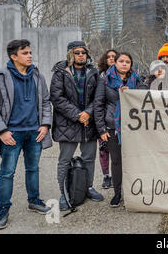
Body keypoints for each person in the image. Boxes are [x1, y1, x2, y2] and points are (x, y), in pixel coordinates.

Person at [0, 39, 52, 230]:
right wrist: (2, 131)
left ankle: (34, 200)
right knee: (7, 173)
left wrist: (45, 125)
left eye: (30, 52)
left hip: (34, 132)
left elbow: (45, 101)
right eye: (25, 53)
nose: (30, 56)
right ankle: (3, 209)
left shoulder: (37, 75)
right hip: (11, 134)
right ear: (14, 56)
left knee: (33, 169)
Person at [50, 40, 103, 211]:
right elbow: (57, 98)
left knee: (89, 158)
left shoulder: (93, 72)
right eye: (77, 52)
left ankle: (87, 187)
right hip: (67, 122)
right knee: (64, 160)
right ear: (70, 54)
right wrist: (77, 115)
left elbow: (98, 97)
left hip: (89, 122)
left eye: (83, 52)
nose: (81, 55)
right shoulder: (60, 72)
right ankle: (64, 193)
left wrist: (88, 113)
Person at [94, 52, 141, 207]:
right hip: (113, 127)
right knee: (117, 161)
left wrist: (132, 93)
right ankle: (117, 193)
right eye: (121, 61)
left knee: (134, 160)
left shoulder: (136, 79)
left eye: (128, 61)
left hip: (134, 127)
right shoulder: (105, 80)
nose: (124, 64)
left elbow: (146, 93)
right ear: (115, 63)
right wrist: (101, 129)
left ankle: (133, 191)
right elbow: (98, 105)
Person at [96, 49, 117, 190]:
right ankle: (106, 176)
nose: (111, 59)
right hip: (103, 119)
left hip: (120, 120)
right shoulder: (100, 77)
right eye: (108, 57)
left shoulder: (128, 77)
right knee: (104, 150)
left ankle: (118, 176)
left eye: (114, 57)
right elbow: (97, 101)